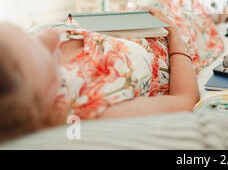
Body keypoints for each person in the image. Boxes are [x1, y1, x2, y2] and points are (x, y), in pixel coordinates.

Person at [0, 7, 200, 143]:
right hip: (179, 40)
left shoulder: (17, 59)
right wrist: (174, 32)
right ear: (37, 103)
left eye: (29, 36)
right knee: (192, 3)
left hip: (138, 22)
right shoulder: (89, 110)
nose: (51, 36)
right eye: (41, 51)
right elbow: (185, 100)